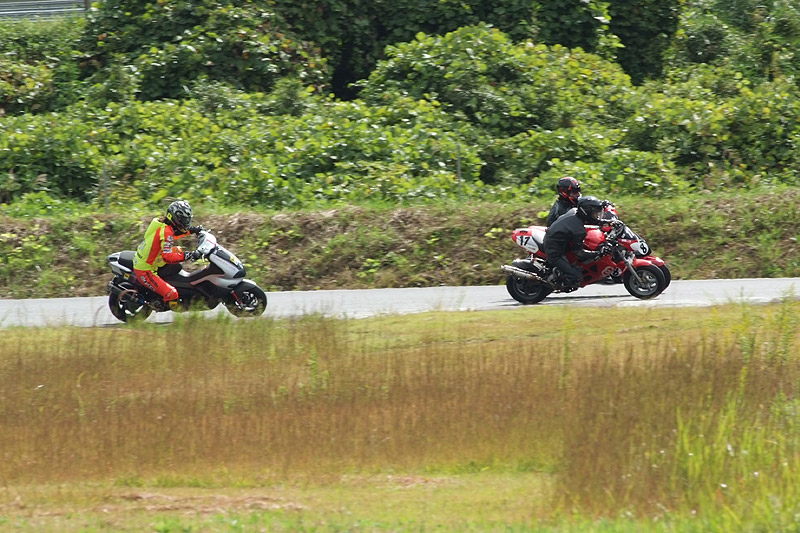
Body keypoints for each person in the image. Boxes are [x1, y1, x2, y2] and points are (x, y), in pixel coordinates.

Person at [133, 200, 204, 310]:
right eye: (183, 219)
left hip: (151, 260)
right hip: (145, 269)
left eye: (187, 219)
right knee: (172, 293)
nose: (186, 222)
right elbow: (167, 257)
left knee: (177, 250)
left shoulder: (161, 224)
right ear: (175, 217)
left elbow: (174, 235)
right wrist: (188, 255)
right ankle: (175, 311)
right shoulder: (166, 231)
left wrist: (192, 230)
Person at [543, 195, 609, 291]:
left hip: (559, 242)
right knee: (576, 276)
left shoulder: (575, 212)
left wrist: (608, 222)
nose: (597, 216)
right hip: (554, 250)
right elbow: (579, 253)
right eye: (595, 213)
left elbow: (591, 220)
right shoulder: (578, 230)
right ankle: (557, 283)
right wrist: (598, 253)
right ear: (586, 212)